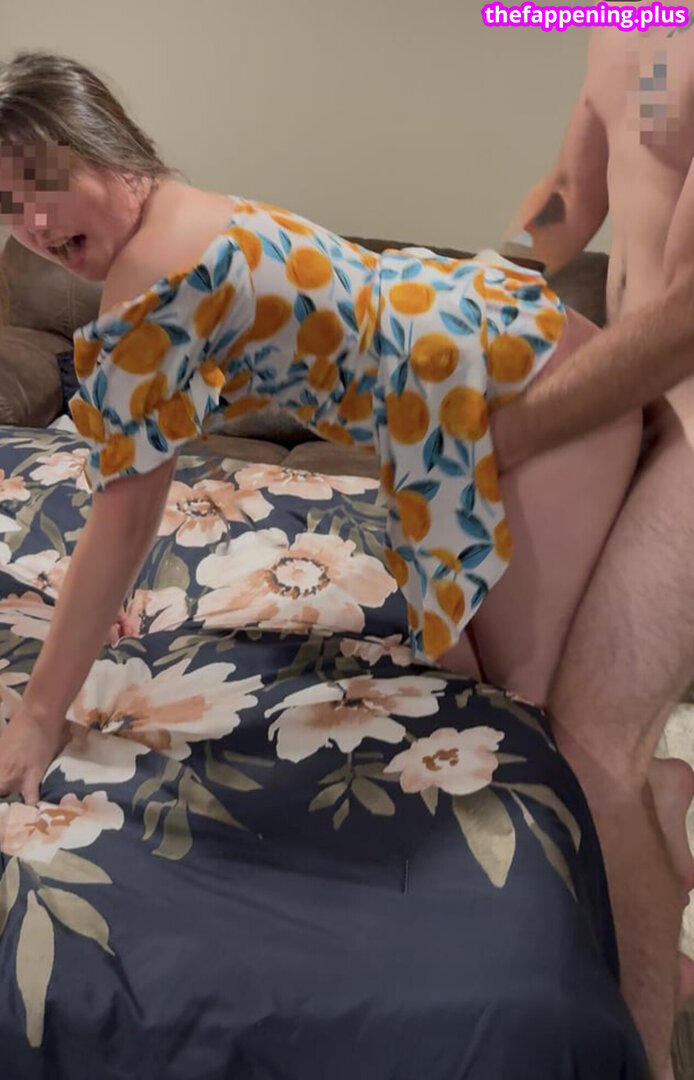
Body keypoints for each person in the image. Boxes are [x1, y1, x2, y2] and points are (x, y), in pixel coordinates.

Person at [0, 49, 670, 1074]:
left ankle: (634, 943)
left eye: (43, 182)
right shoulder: (176, 213)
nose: (36, 224)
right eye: (9, 209)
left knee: (535, 715)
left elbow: (127, 513)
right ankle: (659, 819)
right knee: (468, 675)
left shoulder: (148, 284)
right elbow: (133, 491)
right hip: (475, 354)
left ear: (106, 147)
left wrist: (43, 712)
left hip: (515, 383)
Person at [489, 11, 694, 1079]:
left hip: (687, 410)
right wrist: (444, 300)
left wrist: (514, 430)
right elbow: (574, 203)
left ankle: (645, 1054)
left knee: (591, 742)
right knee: (523, 687)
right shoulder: (619, 25)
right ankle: (662, 817)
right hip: (636, 399)